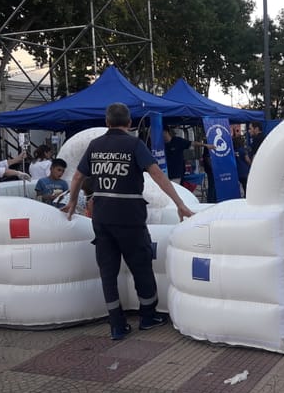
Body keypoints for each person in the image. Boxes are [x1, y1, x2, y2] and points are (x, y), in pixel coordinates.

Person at [64, 103, 194, 340]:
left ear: (107, 122)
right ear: (130, 123)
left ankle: (116, 324)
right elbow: (157, 174)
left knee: (108, 271)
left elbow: (77, 176)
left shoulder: (95, 145)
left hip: (102, 216)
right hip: (129, 216)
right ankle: (147, 316)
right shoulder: (134, 144)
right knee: (141, 265)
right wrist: (180, 204)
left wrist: (72, 201)